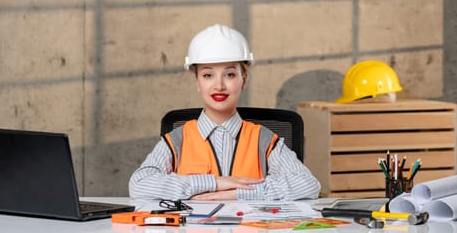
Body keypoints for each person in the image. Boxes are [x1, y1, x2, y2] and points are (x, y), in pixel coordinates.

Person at [129, 24, 321, 200]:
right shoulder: (177, 140)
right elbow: (138, 185)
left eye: (229, 74)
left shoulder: (263, 139)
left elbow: (308, 185)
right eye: (208, 75)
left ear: (243, 81)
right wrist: (215, 183)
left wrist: (235, 195)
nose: (219, 85)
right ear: (197, 82)